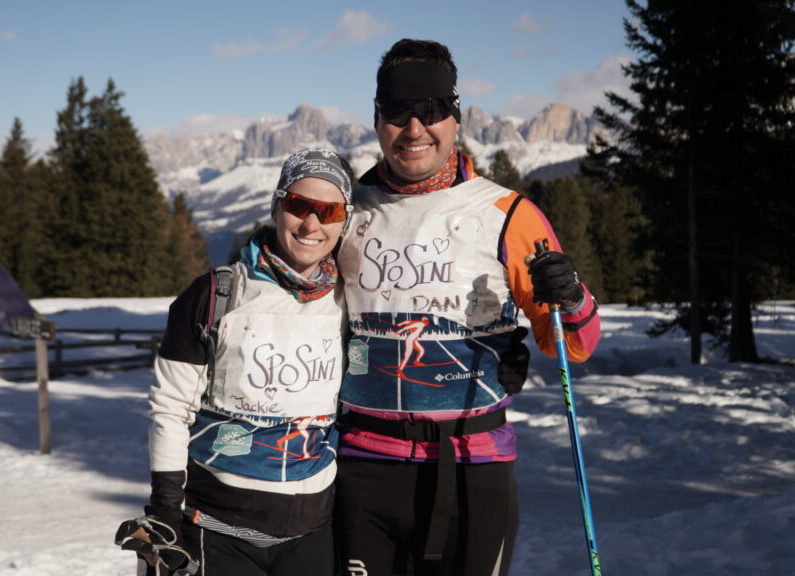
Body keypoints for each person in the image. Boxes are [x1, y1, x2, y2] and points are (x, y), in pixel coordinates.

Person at [334, 39, 602, 576]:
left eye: (431, 111)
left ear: (455, 117)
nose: (414, 129)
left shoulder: (507, 213)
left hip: (473, 467)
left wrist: (569, 296)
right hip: (364, 467)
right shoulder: (344, 212)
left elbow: (575, 343)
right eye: (397, 112)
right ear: (376, 118)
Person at [133, 148, 353, 576]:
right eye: (298, 205)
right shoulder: (213, 295)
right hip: (217, 533)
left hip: (312, 535)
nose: (311, 223)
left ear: (344, 221)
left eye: (329, 211)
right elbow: (171, 409)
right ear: (276, 206)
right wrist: (163, 509)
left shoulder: (349, 299)